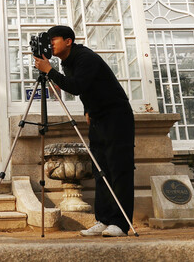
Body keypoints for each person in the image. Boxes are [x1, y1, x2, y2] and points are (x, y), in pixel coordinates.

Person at [33, 25, 135, 238]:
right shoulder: (68, 61)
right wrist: (88, 109)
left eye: (54, 39)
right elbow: (88, 88)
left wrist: (49, 71)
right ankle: (103, 220)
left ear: (68, 41)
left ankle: (120, 224)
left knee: (119, 170)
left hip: (116, 116)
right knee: (101, 170)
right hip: (98, 117)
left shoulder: (84, 57)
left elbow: (77, 86)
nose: (50, 44)